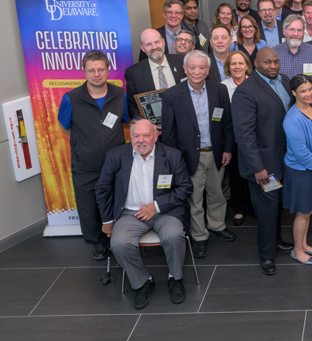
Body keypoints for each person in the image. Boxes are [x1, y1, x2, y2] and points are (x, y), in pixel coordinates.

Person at [96, 118, 192, 310]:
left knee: (174, 236)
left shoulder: (172, 156)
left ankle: (175, 278)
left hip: (165, 211)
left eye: (146, 135)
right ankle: (142, 282)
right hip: (130, 213)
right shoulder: (116, 155)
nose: (141, 140)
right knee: (119, 244)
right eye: (136, 135)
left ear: (155, 136)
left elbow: (185, 188)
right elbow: (102, 188)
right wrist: (107, 220)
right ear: (129, 137)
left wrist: (156, 206)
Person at [161, 50, 235, 257]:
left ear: (208, 70)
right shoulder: (172, 95)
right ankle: (199, 235)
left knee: (217, 193)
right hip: (188, 156)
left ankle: (217, 225)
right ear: (185, 69)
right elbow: (168, 134)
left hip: (217, 152)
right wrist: (175, 161)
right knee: (194, 198)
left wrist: (228, 148)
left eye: (201, 67)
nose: (197, 72)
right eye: (192, 67)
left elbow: (227, 122)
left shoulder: (219, 90)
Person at [58, 51, 128, 260]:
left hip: (116, 162)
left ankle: (119, 237)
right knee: (88, 205)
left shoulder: (120, 94)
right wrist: (87, 143)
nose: (97, 74)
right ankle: (97, 242)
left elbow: (125, 120)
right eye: (91, 70)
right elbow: (66, 126)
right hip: (85, 163)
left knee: (118, 200)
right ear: (85, 71)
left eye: (101, 69)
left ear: (107, 70)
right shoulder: (70, 98)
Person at [231, 47, 295, 276]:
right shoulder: (245, 92)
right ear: (255, 63)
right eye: (267, 62)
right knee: (267, 210)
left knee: (277, 207)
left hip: (285, 160)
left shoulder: (285, 81)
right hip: (264, 166)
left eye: (276, 62)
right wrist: (258, 168)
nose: (273, 66)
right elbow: (244, 135)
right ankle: (267, 256)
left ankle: (276, 241)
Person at [282, 74, 312, 265]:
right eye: (303, 91)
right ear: (294, 93)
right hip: (301, 172)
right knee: (303, 212)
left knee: (309, 210)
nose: (308, 93)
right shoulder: (292, 119)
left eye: (310, 89)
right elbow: (301, 153)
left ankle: (304, 244)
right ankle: (297, 250)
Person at [220, 50, 252, 226]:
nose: (238, 67)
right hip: (233, 140)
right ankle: (239, 209)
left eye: (241, 63)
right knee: (236, 176)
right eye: (234, 64)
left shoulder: (256, 84)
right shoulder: (222, 87)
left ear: (247, 66)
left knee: (255, 174)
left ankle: (254, 206)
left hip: (253, 140)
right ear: (228, 67)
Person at [126, 29, 186, 118]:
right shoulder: (133, 73)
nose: (154, 47)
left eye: (157, 42)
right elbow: (132, 105)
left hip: (184, 121)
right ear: (142, 48)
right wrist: (145, 125)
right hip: (155, 128)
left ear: (163, 42)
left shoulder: (182, 61)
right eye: (148, 44)